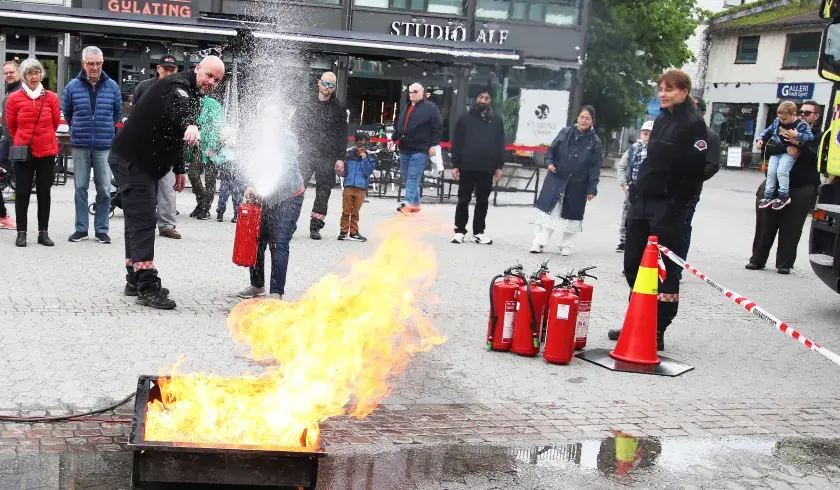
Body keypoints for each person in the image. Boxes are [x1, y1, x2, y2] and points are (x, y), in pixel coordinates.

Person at [109, 55, 225, 309]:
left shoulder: (194, 93)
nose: (212, 82)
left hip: (143, 162)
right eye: (209, 75)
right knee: (143, 221)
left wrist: (179, 168)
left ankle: (133, 277)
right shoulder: (177, 85)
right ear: (197, 69)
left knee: (136, 221)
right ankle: (147, 285)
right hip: (131, 160)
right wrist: (191, 124)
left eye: (217, 79)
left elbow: (173, 132)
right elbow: (179, 109)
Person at [610, 69, 708, 350]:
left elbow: (694, 173)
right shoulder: (661, 118)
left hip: (668, 207)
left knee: (665, 273)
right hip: (643, 203)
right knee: (633, 266)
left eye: (670, 89)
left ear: (684, 92)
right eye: (661, 89)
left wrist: (677, 207)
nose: (663, 94)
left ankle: (657, 328)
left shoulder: (693, 125)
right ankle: (636, 319)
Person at [237, 102, 305, 300]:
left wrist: (262, 188)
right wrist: (248, 185)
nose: (269, 120)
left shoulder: (288, 139)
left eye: (274, 116)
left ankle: (277, 291)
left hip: (288, 196)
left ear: (282, 119)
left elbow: (285, 167)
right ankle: (257, 285)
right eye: (265, 116)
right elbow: (247, 165)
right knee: (257, 241)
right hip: (263, 197)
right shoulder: (256, 139)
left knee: (279, 242)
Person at [746, 100, 822, 275]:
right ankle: (757, 260)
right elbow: (767, 147)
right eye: (800, 111)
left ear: (816, 116)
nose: (802, 115)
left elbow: (813, 156)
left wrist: (798, 143)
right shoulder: (781, 125)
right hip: (773, 185)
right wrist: (786, 146)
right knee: (764, 224)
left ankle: (784, 264)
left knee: (792, 228)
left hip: (801, 187)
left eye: (807, 113)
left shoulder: (818, 135)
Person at [63, 46, 122, 244]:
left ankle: (101, 229)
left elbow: (117, 113)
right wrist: (79, 128)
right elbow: (68, 113)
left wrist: (104, 130)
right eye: (90, 64)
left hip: (104, 145)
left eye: (98, 63)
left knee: (104, 188)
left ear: (102, 63)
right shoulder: (72, 86)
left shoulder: (112, 86)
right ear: (83, 65)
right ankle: (81, 229)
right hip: (80, 143)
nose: (94, 67)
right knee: (80, 187)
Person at [529, 106, 602, 256]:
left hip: (578, 183)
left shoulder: (595, 142)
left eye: (587, 118)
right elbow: (551, 151)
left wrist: (592, 188)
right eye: (581, 117)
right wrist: (549, 162)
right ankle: (539, 242)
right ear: (577, 118)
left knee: (572, 215)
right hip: (557, 177)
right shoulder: (566, 132)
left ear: (592, 121)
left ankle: (566, 245)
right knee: (548, 211)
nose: (583, 120)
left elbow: (595, 167)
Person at [6, 58, 61, 247]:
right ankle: (21, 233)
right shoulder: (14, 98)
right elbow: (11, 126)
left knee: (44, 193)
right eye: (29, 73)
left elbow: (54, 123)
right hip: (24, 153)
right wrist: (22, 140)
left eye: (37, 72)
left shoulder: (51, 97)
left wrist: (43, 137)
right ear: (23, 76)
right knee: (22, 193)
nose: (34, 76)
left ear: (41, 75)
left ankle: (43, 233)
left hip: (46, 151)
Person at [134, 54, 181, 239]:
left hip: (166, 145)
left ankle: (167, 225)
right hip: (145, 144)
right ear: (158, 68)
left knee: (167, 188)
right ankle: (142, 223)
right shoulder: (143, 87)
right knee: (143, 187)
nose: (168, 72)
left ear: (176, 70)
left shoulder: (179, 89)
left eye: (172, 69)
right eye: (165, 69)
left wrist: (180, 164)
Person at [450, 86, 505, 245]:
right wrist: (455, 164)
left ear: (490, 101)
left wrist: (499, 166)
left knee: (482, 201)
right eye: (481, 97)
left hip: (487, 167)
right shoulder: (465, 118)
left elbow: (499, 144)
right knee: (463, 200)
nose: (483, 100)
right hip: (466, 165)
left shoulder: (496, 121)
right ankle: (459, 231)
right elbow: (457, 142)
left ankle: (479, 232)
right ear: (476, 99)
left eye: (486, 98)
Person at [297, 71, 347, 240]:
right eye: (325, 83)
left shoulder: (339, 109)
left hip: (328, 156)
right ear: (319, 83)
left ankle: (316, 227)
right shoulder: (305, 104)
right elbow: (295, 126)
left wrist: (341, 158)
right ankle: (289, 223)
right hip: (306, 153)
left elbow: (342, 134)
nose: (327, 87)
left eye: (331, 85)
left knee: (324, 191)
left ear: (334, 88)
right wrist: (295, 148)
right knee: (297, 188)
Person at [389, 82, 442, 215]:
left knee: (413, 176)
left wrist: (433, 145)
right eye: (411, 92)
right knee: (407, 177)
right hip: (405, 147)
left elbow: (437, 127)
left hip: (420, 149)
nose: (412, 94)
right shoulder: (407, 106)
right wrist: (394, 139)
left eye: (415, 91)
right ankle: (416, 204)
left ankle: (407, 203)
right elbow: (401, 125)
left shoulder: (430, 108)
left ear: (422, 92)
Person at [681, 98, 721, 265]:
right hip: (665, 190)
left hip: (688, 192)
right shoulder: (680, 131)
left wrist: (688, 178)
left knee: (682, 229)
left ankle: (676, 269)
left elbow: (712, 165)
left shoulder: (710, 136)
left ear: (702, 113)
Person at [755, 101, 814, 211]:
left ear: (793, 115)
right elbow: (768, 130)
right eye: (780, 118)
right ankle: (768, 195)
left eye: (785, 119)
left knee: (782, 171)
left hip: (789, 152)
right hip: (777, 150)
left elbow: (810, 137)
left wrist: (798, 135)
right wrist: (760, 139)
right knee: (771, 171)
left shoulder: (800, 124)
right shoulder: (777, 121)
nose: (782, 121)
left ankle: (783, 195)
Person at [615, 120, 653, 253]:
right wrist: (624, 184)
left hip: (649, 189)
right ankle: (623, 240)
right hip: (633, 188)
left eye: (651, 134)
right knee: (627, 213)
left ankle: (645, 241)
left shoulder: (657, 150)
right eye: (645, 133)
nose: (648, 136)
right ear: (641, 134)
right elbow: (622, 166)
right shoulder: (633, 149)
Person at [186, 94, 224, 220]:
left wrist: (212, 146)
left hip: (212, 147)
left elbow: (217, 126)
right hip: (198, 146)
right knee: (192, 173)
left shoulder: (213, 104)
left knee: (210, 179)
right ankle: (201, 202)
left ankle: (205, 208)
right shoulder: (191, 102)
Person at [338, 132, 376, 242]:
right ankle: (343, 232)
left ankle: (354, 232)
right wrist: (340, 171)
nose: (362, 146)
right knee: (345, 211)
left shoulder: (370, 158)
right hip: (349, 186)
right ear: (356, 143)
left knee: (355, 212)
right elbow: (344, 172)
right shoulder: (349, 156)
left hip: (361, 188)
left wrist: (364, 158)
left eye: (365, 144)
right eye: (360, 143)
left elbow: (367, 172)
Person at [0, 60, 21, 231]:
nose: (8, 75)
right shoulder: (8, 92)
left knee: (17, 172)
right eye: (5, 73)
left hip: (17, 140)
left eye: (11, 72)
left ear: (18, 72)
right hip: (6, 139)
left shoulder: (21, 91)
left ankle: (13, 216)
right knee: (3, 170)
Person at [215, 127, 243, 223]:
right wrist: (214, 157)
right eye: (227, 139)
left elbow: (239, 161)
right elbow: (219, 161)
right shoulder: (224, 150)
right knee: (223, 195)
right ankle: (220, 212)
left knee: (237, 196)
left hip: (237, 178)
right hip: (225, 176)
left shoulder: (240, 149)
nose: (230, 141)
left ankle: (237, 214)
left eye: (232, 138)